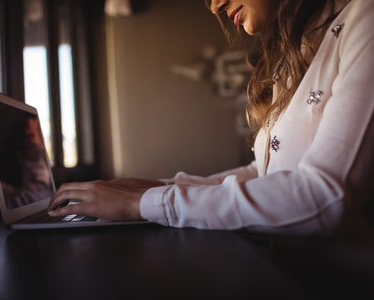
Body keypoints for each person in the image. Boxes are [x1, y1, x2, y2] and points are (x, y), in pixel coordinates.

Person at [48, 0, 374, 237]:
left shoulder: (366, 18)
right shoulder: (299, 47)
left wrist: (144, 205)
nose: (215, 5)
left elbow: (327, 197)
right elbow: (265, 173)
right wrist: (158, 187)